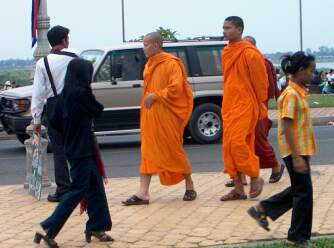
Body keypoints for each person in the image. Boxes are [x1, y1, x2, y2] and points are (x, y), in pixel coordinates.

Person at [34, 58, 113, 248]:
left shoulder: (63, 95)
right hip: (83, 150)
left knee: (95, 187)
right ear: (84, 75)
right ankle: (48, 228)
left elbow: (54, 121)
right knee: (78, 189)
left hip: (74, 147)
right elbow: (98, 110)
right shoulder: (81, 94)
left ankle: (96, 226)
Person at [248, 51, 317, 247]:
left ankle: (262, 209)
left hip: (301, 149)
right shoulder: (291, 94)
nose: (313, 75)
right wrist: (296, 157)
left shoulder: (298, 91)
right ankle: (297, 237)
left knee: (300, 190)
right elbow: (286, 125)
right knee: (303, 193)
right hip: (295, 150)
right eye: (311, 71)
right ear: (301, 70)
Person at [122, 32, 196, 205]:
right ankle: (143, 193)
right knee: (147, 152)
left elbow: (176, 88)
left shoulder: (171, 63)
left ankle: (189, 184)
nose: (144, 47)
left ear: (156, 45)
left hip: (167, 114)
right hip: (151, 114)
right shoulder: (149, 64)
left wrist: (156, 96)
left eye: (146, 44)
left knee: (173, 150)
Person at [225, 36, 284, 188]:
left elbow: (268, 85)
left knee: (258, 141)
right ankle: (240, 177)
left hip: (256, 105)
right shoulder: (230, 53)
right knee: (237, 142)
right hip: (236, 104)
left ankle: (275, 166)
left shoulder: (259, 60)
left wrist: (263, 102)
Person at [220, 16, 268, 201]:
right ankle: (238, 188)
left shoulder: (250, 53)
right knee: (229, 146)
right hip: (230, 103)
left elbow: (261, 82)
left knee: (237, 143)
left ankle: (255, 176)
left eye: (228, 27)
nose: (224, 31)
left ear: (239, 30)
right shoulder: (226, 51)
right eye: (223, 27)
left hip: (246, 104)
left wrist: (259, 104)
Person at [31, 25, 77, 202]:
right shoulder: (74, 56)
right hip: (73, 105)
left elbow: (38, 93)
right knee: (77, 146)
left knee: (59, 149)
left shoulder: (42, 63)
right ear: (64, 40)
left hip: (53, 106)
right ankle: (82, 185)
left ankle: (63, 188)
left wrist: (36, 118)